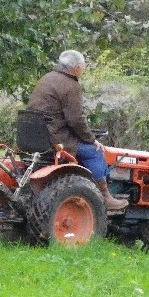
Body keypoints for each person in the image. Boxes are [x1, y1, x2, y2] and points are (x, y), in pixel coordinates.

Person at [26, 50, 128, 210]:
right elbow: (76, 120)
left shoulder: (47, 78)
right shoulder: (70, 84)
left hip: (36, 136)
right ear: (76, 68)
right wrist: (92, 139)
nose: (83, 71)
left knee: (88, 148)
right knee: (94, 152)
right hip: (56, 137)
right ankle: (104, 196)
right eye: (83, 67)